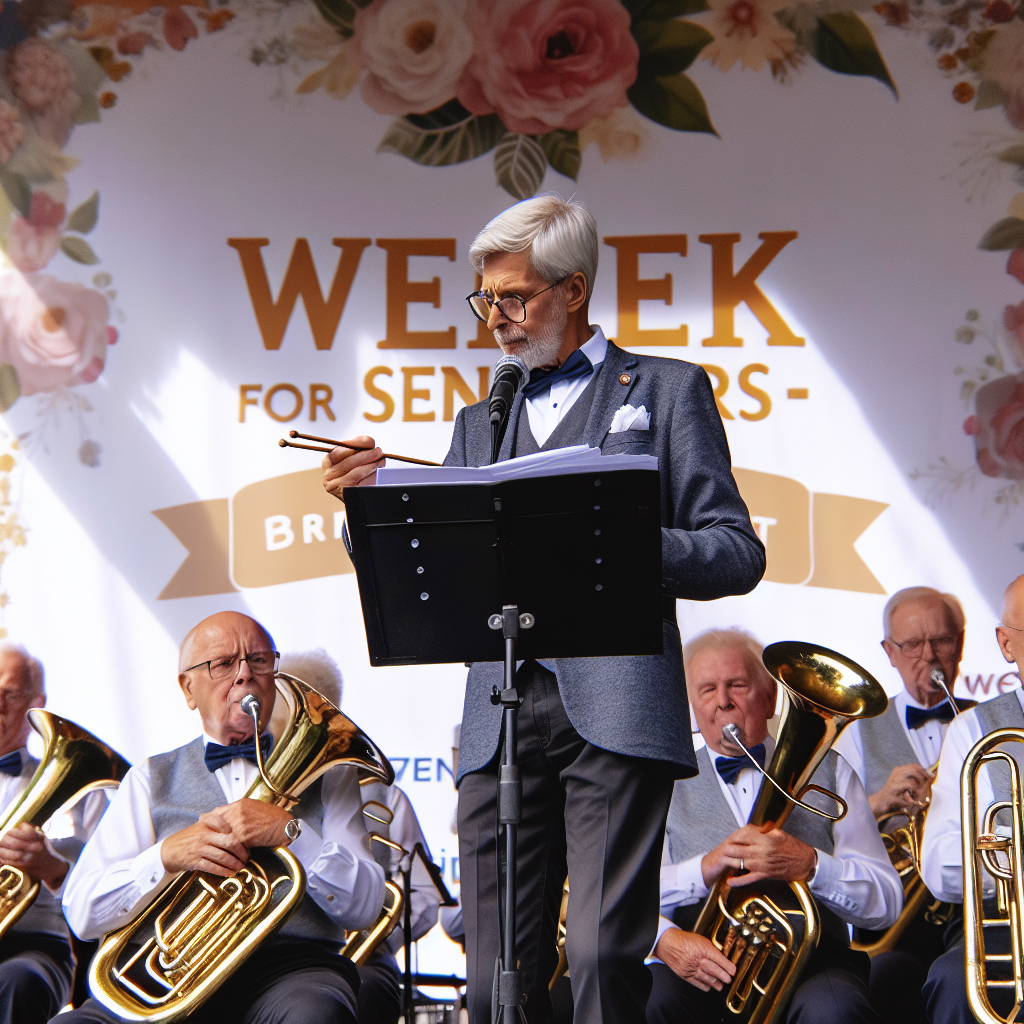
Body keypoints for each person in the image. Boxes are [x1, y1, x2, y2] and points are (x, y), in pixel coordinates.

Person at [322, 195, 765, 1024]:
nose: (495, 317)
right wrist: (366, 507)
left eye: (515, 298)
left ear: (575, 289)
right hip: (499, 713)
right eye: (485, 299)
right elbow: (424, 568)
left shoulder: (667, 390)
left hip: (619, 704)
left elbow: (737, 551)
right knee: (498, 972)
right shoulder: (478, 419)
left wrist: (616, 537)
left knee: (598, 956)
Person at [60, 611, 386, 1024]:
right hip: (166, 979)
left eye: (259, 661)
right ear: (188, 688)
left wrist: (291, 832)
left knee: (316, 1015)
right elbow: (82, 910)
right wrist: (164, 856)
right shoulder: (149, 777)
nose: (245, 674)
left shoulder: (332, 775)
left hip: (289, 972)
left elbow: (365, 906)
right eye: (224, 663)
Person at [650, 628, 902, 1024]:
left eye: (737, 685)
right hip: (699, 966)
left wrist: (811, 865)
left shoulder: (833, 772)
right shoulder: (662, 784)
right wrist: (675, 919)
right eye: (707, 689)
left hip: (811, 965)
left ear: (770, 698)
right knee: (651, 1001)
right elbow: (631, 897)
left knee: (836, 1011)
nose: (723, 701)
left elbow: (886, 902)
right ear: (691, 707)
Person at [834, 587, 971, 1019]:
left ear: (960, 644)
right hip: (896, 923)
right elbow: (823, 832)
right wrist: (876, 804)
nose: (928, 655)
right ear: (889, 653)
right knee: (884, 983)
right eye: (912, 644)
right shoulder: (856, 732)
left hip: (976, 912)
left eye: (941, 640)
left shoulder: (987, 723)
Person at [920, 574, 1024, 1024]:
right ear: (1006, 644)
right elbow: (939, 863)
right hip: (1009, 923)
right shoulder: (973, 730)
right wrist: (1012, 852)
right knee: (952, 980)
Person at [0, 643, 107, 1024]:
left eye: (9, 693)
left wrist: (52, 868)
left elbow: (108, 883)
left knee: (15, 982)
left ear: (37, 703)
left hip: (35, 946)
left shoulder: (84, 789)